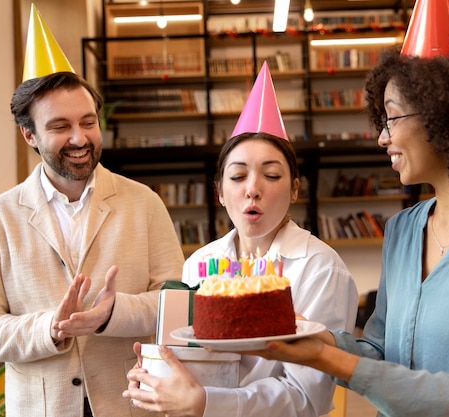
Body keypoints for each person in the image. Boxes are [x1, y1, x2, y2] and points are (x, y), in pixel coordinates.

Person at [234, 1, 449, 417]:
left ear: (444, 116)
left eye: (390, 119)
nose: (381, 139)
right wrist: (312, 334)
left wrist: (324, 359)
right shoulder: (403, 229)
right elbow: (381, 349)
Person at [0, 6, 184, 417]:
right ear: (30, 134)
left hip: (133, 404)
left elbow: (178, 304)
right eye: (60, 126)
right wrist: (48, 328)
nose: (80, 138)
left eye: (88, 122)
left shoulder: (144, 203)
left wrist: (114, 313)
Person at [122, 63, 359, 417]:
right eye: (237, 176)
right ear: (219, 192)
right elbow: (190, 359)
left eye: (272, 174)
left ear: (294, 188)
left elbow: (310, 398)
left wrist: (208, 403)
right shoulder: (200, 263)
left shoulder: (321, 268)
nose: (252, 190)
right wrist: (157, 373)